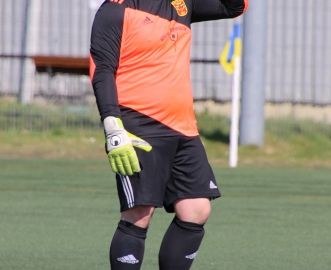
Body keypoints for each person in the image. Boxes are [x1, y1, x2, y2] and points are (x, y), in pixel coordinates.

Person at [89, 0, 248, 268]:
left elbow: (233, 7)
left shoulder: (182, 3)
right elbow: (102, 69)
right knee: (139, 213)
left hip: (183, 127)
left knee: (197, 209)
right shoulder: (116, 9)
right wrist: (113, 127)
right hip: (137, 122)